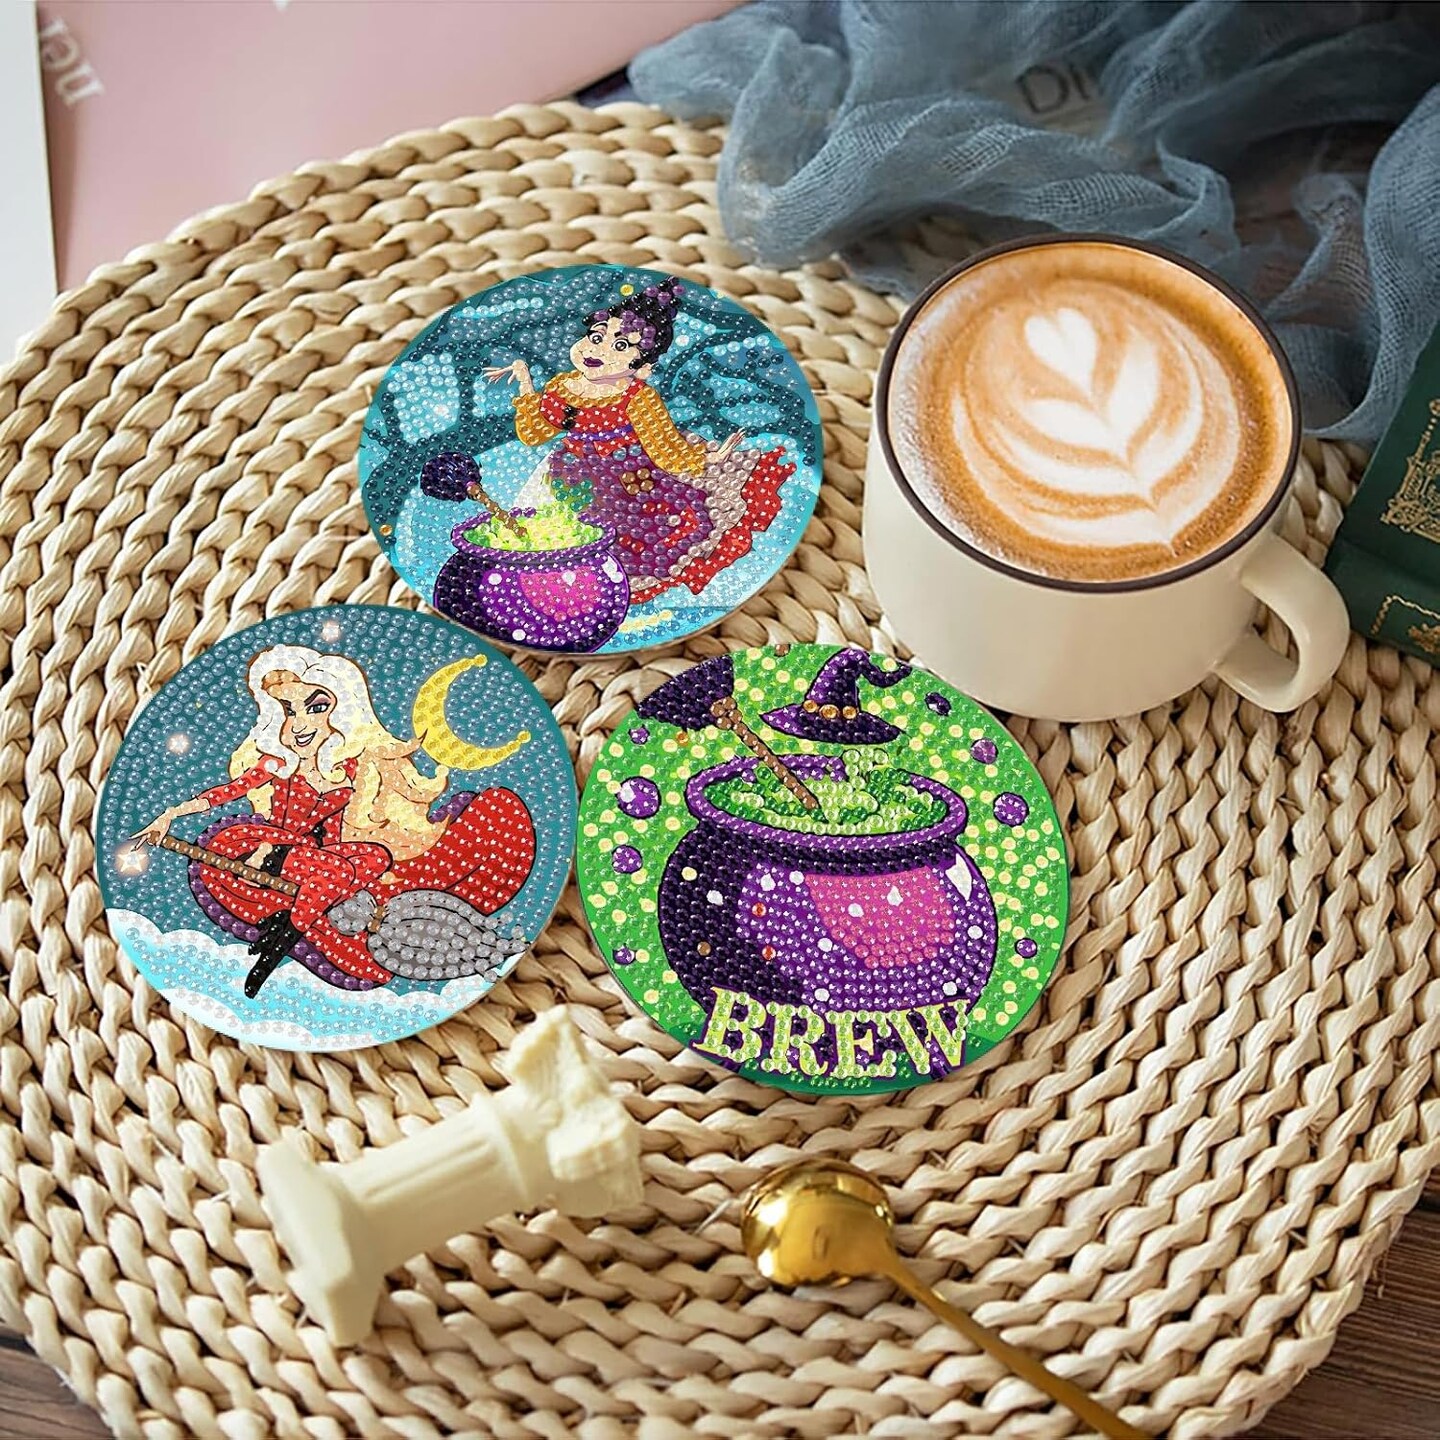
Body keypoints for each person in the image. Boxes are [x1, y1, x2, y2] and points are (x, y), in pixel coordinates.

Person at [135, 645, 511, 992]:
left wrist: (348, 856)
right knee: (339, 871)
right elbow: (227, 792)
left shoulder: (348, 768)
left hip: (308, 857)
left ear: (342, 709)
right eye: (289, 710)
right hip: (260, 844)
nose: (300, 723)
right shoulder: (277, 763)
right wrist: (170, 814)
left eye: (315, 708)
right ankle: (276, 948)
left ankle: (285, 927)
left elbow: (342, 830)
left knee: (377, 856)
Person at [484, 276, 794, 601]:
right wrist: (525, 382)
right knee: (548, 538)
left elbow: (663, 448)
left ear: (643, 366)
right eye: (596, 337)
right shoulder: (563, 386)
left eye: (620, 346)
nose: (598, 351)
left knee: (626, 542)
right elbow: (534, 434)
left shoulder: (638, 397)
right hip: (567, 476)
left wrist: (708, 459)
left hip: (627, 481)